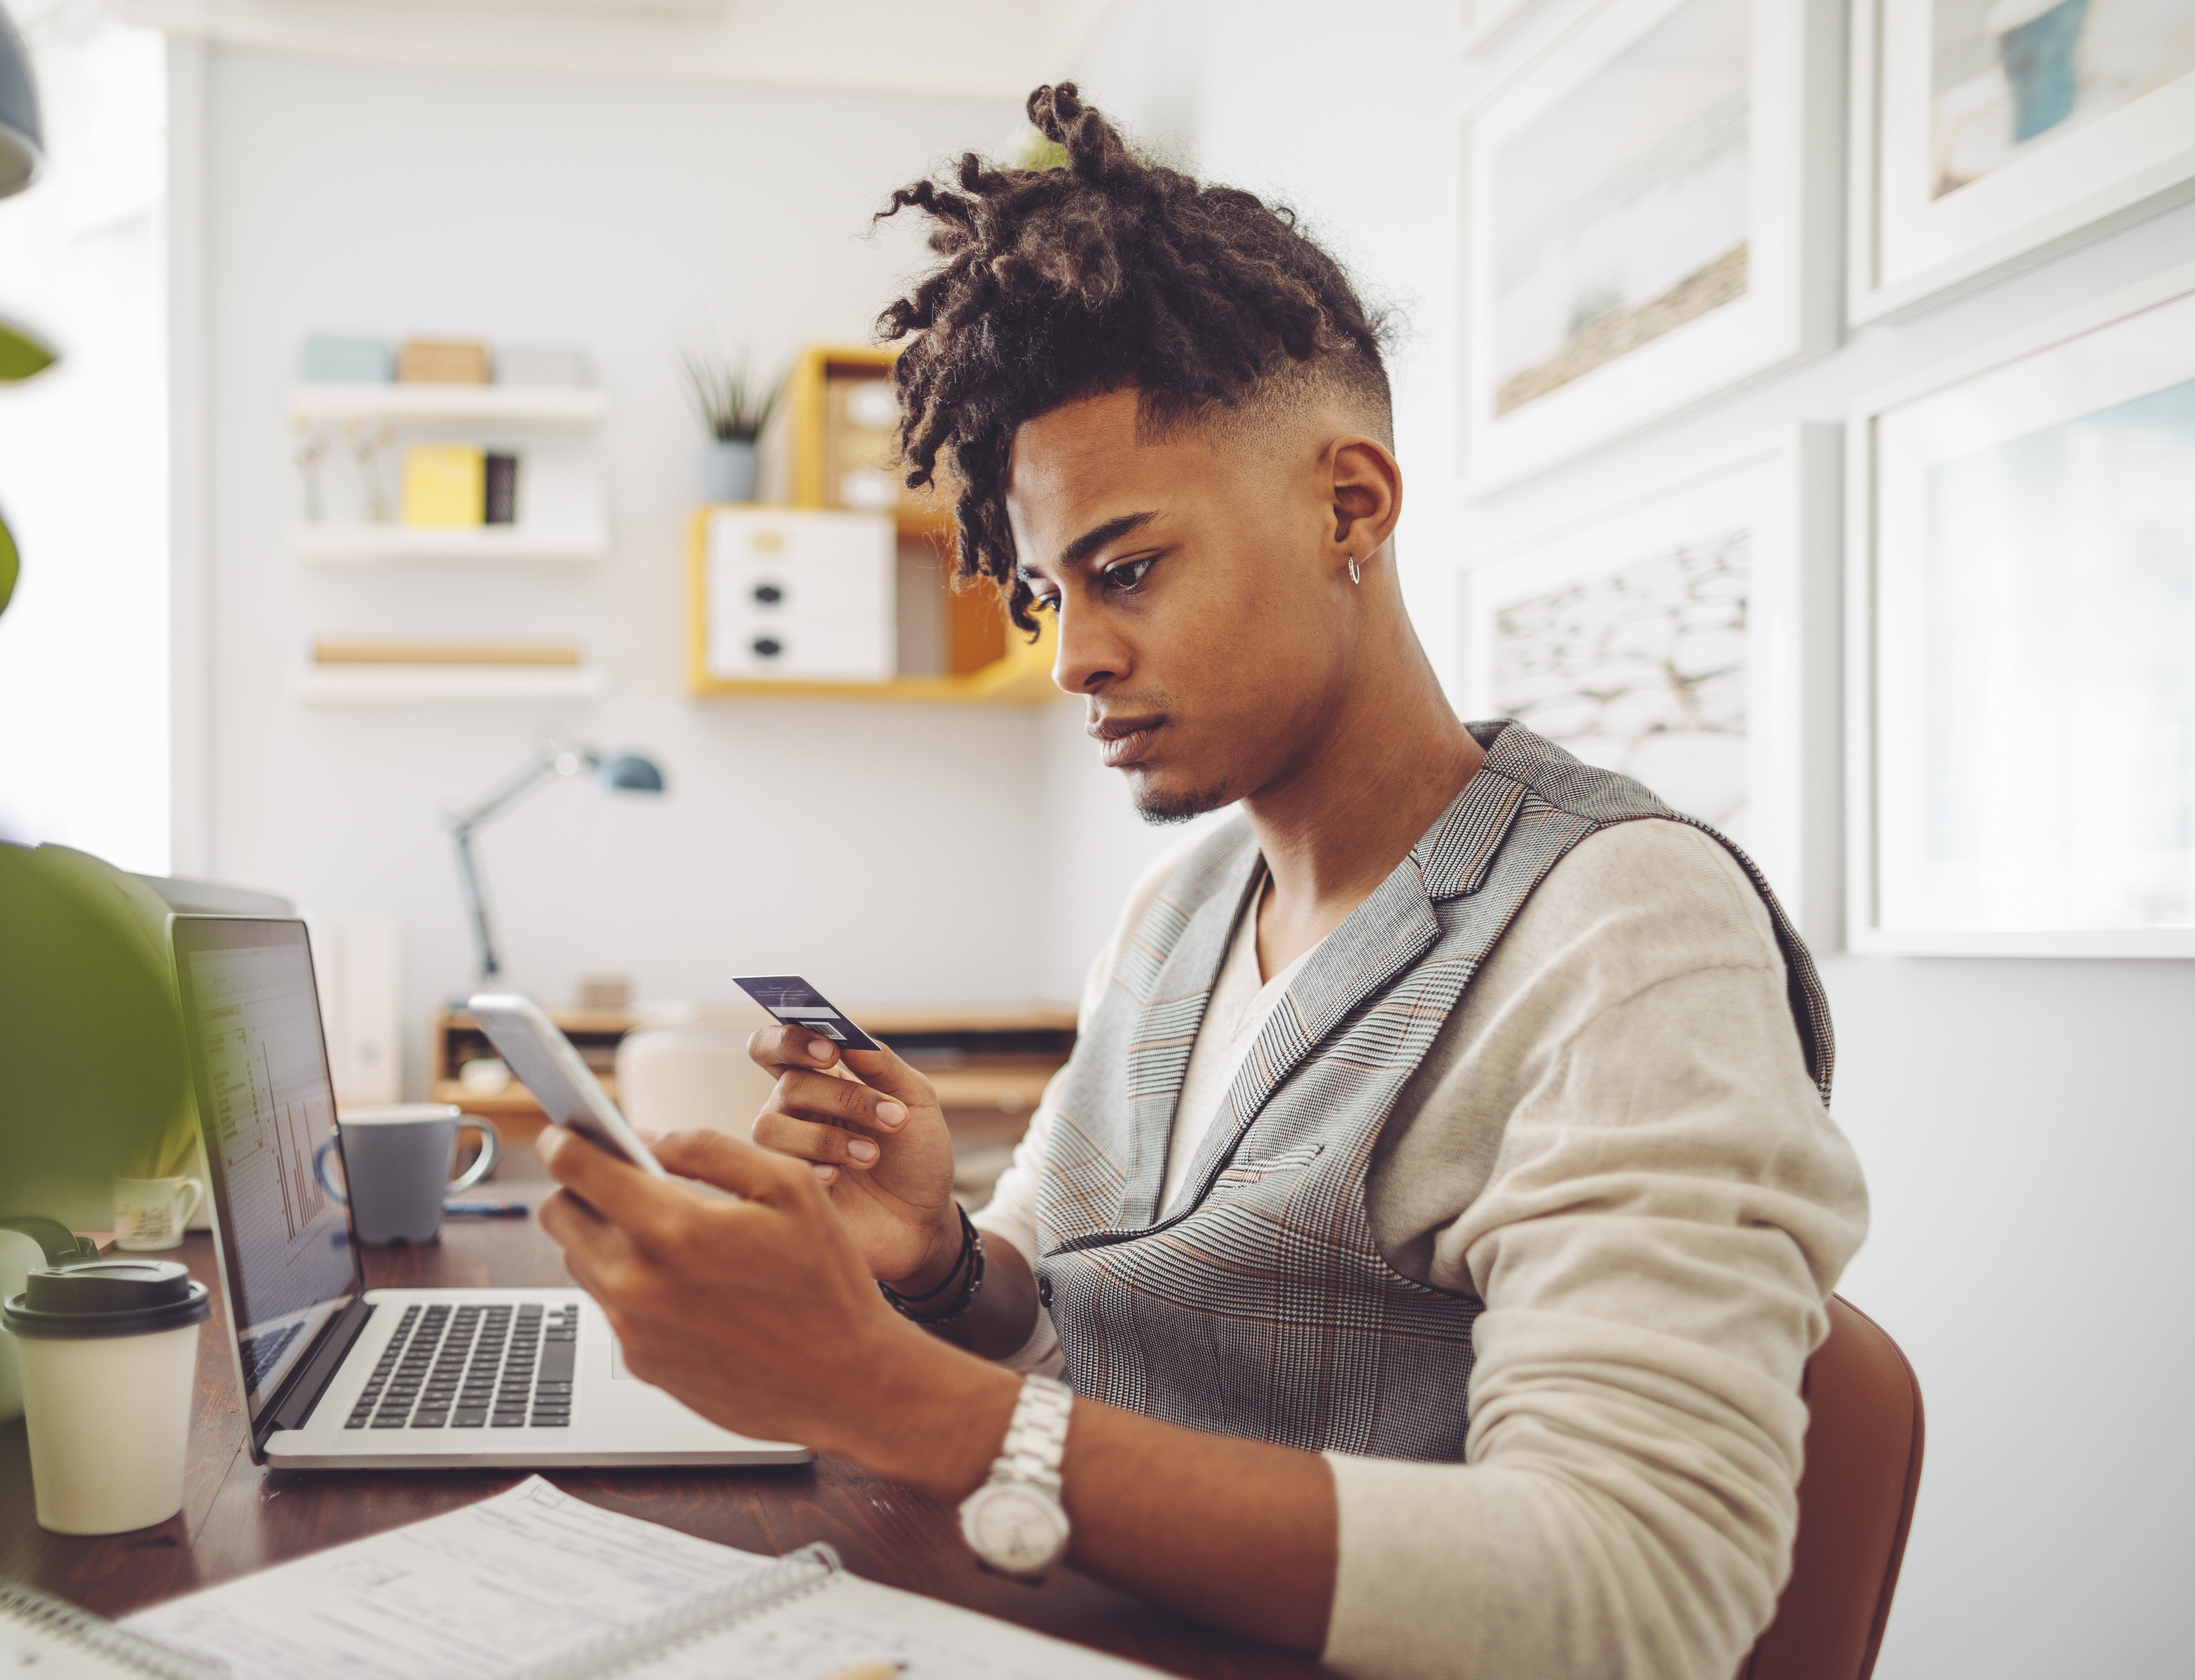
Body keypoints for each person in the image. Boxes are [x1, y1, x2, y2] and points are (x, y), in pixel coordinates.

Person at [531, 84, 1867, 1680]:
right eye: (1047, 595)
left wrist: (882, 1390)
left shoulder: (1623, 927)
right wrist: (944, 1266)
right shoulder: (1178, 914)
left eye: (1130, 569)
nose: (1076, 655)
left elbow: (1634, 1592)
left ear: (1347, 505)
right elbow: (1067, 1320)